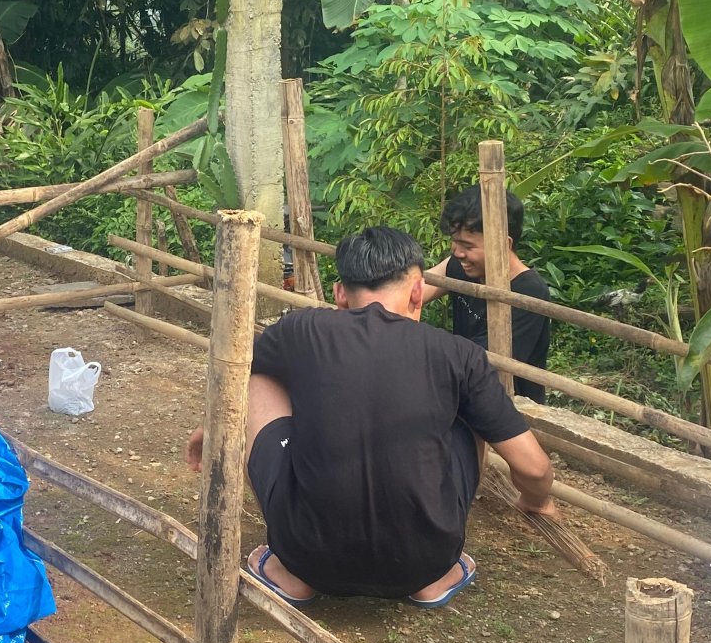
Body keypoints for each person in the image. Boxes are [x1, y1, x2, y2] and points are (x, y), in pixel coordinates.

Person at [186, 226, 562, 607]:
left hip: (307, 555)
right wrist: (537, 501)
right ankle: (436, 579)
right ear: (418, 291)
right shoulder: (457, 354)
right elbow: (532, 468)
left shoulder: (300, 330)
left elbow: (234, 374)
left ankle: (289, 573)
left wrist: (209, 427)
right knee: (472, 413)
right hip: (424, 563)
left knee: (257, 378)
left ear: (339, 295)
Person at [422, 184, 553, 402]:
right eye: (454, 242)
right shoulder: (458, 266)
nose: (457, 252)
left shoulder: (530, 292)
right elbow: (411, 291)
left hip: (509, 407)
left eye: (467, 245)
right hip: (461, 393)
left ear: (503, 244)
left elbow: (480, 361)